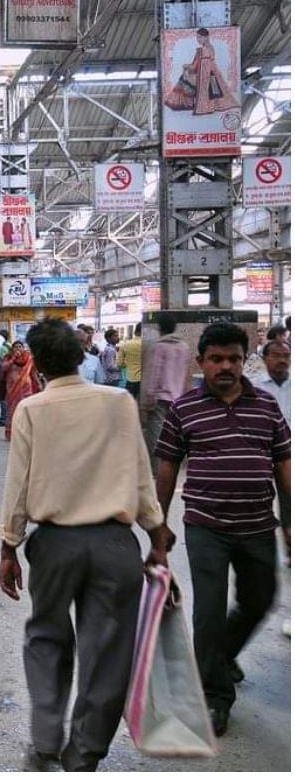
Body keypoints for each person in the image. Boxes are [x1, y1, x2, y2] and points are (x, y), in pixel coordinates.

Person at [0, 319, 170, 772]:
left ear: (37, 363)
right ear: (80, 355)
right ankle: (84, 753)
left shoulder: (32, 409)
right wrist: (156, 537)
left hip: (54, 546)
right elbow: (140, 474)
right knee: (108, 652)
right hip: (115, 545)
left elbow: (17, 487)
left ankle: (45, 742)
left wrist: (8, 547)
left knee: (47, 640)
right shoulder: (117, 403)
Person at [154, 323, 291, 737]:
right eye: (216, 359)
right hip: (205, 527)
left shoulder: (266, 406)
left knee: (261, 597)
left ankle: (221, 654)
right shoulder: (184, 409)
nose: (225, 366)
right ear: (202, 363)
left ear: (244, 360)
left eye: (233, 358)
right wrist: (158, 527)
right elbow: (166, 470)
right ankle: (215, 697)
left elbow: (284, 469)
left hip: (257, 525)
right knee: (208, 612)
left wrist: (290, 524)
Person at [253, 339, 292, 638]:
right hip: (264, 462)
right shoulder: (254, 388)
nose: (282, 360)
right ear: (264, 358)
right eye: (276, 355)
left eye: (286, 355)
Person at [140, 313, 191, 476]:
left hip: (160, 398)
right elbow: (186, 374)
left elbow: (153, 375)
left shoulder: (159, 347)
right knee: (175, 434)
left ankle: (157, 470)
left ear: (160, 328)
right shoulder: (184, 347)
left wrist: (147, 401)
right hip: (179, 398)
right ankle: (174, 467)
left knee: (156, 435)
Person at [164, 27, 240, 115]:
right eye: (197, 38)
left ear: (206, 37)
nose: (198, 40)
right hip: (211, 74)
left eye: (200, 37)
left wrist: (185, 66)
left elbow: (195, 66)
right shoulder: (210, 48)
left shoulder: (204, 50)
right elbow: (199, 65)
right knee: (187, 77)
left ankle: (183, 103)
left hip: (205, 76)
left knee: (184, 78)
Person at [1, 341, 42, 441]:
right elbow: (3, 368)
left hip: (26, 388)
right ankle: (12, 433)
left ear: (23, 348)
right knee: (13, 410)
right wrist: (13, 359)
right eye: (16, 347)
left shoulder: (28, 359)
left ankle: (26, 432)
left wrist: (39, 384)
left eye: (20, 347)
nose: (18, 349)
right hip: (12, 388)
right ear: (12, 349)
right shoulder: (8, 358)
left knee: (26, 409)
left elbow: (33, 373)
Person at [118, 323, 143, 399]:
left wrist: (129, 363)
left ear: (135, 332)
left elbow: (120, 364)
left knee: (130, 402)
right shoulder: (147, 345)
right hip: (145, 381)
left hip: (131, 379)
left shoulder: (124, 345)